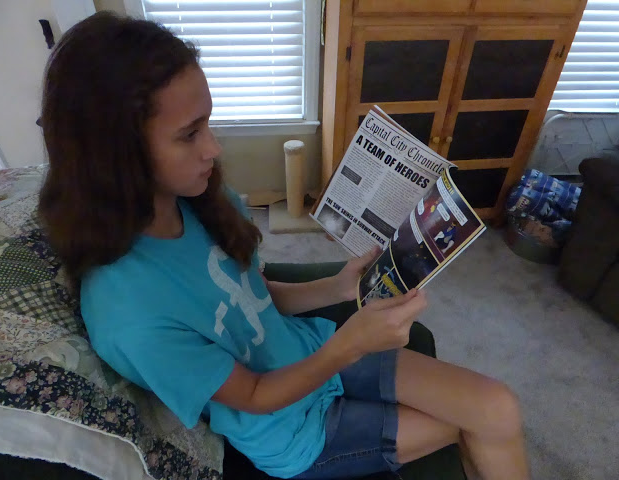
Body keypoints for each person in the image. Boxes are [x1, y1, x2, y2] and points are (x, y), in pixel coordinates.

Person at [38, 12, 529, 480]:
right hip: (294, 432)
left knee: (497, 408)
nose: (213, 148)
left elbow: (253, 296)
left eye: (207, 123)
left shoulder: (196, 201)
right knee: (473, 424)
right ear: (115, 153)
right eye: (189, 135)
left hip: (311, 350)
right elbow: (253, 394)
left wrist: (337, 287)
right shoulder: (129, 314)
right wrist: (351, 344)